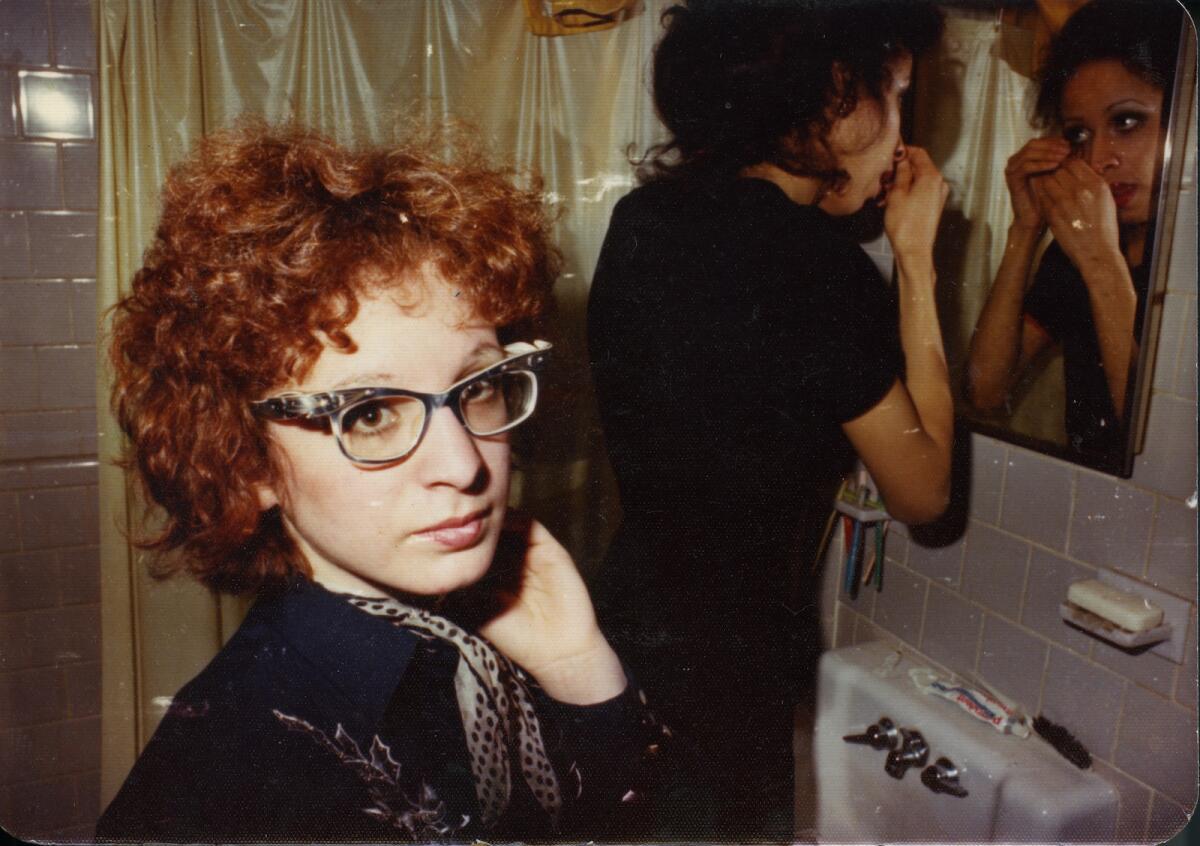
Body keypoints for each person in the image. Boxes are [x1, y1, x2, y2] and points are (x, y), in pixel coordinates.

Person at [96, 122, 661, 842]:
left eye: (478, 386)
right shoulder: (234, 766)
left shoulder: (477, 651)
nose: (464, 466)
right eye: (368, 414)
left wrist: (581, 670)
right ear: (244, 461)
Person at [586, 0, 950, 839]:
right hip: (730, 665)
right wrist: (917, 261)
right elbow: (924, 492)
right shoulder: (822, 269)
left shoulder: (641, 222)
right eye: (894, 92)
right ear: (836, 92)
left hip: (621, 624)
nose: (902, 131)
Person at [967, 0, 1182, 461]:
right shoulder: (1075, 255)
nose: (1100, 158)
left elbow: (1165, 455)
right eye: (1080, 135)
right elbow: (985, 392)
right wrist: (1025, 229)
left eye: (1127, 121)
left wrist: (1103, 268)